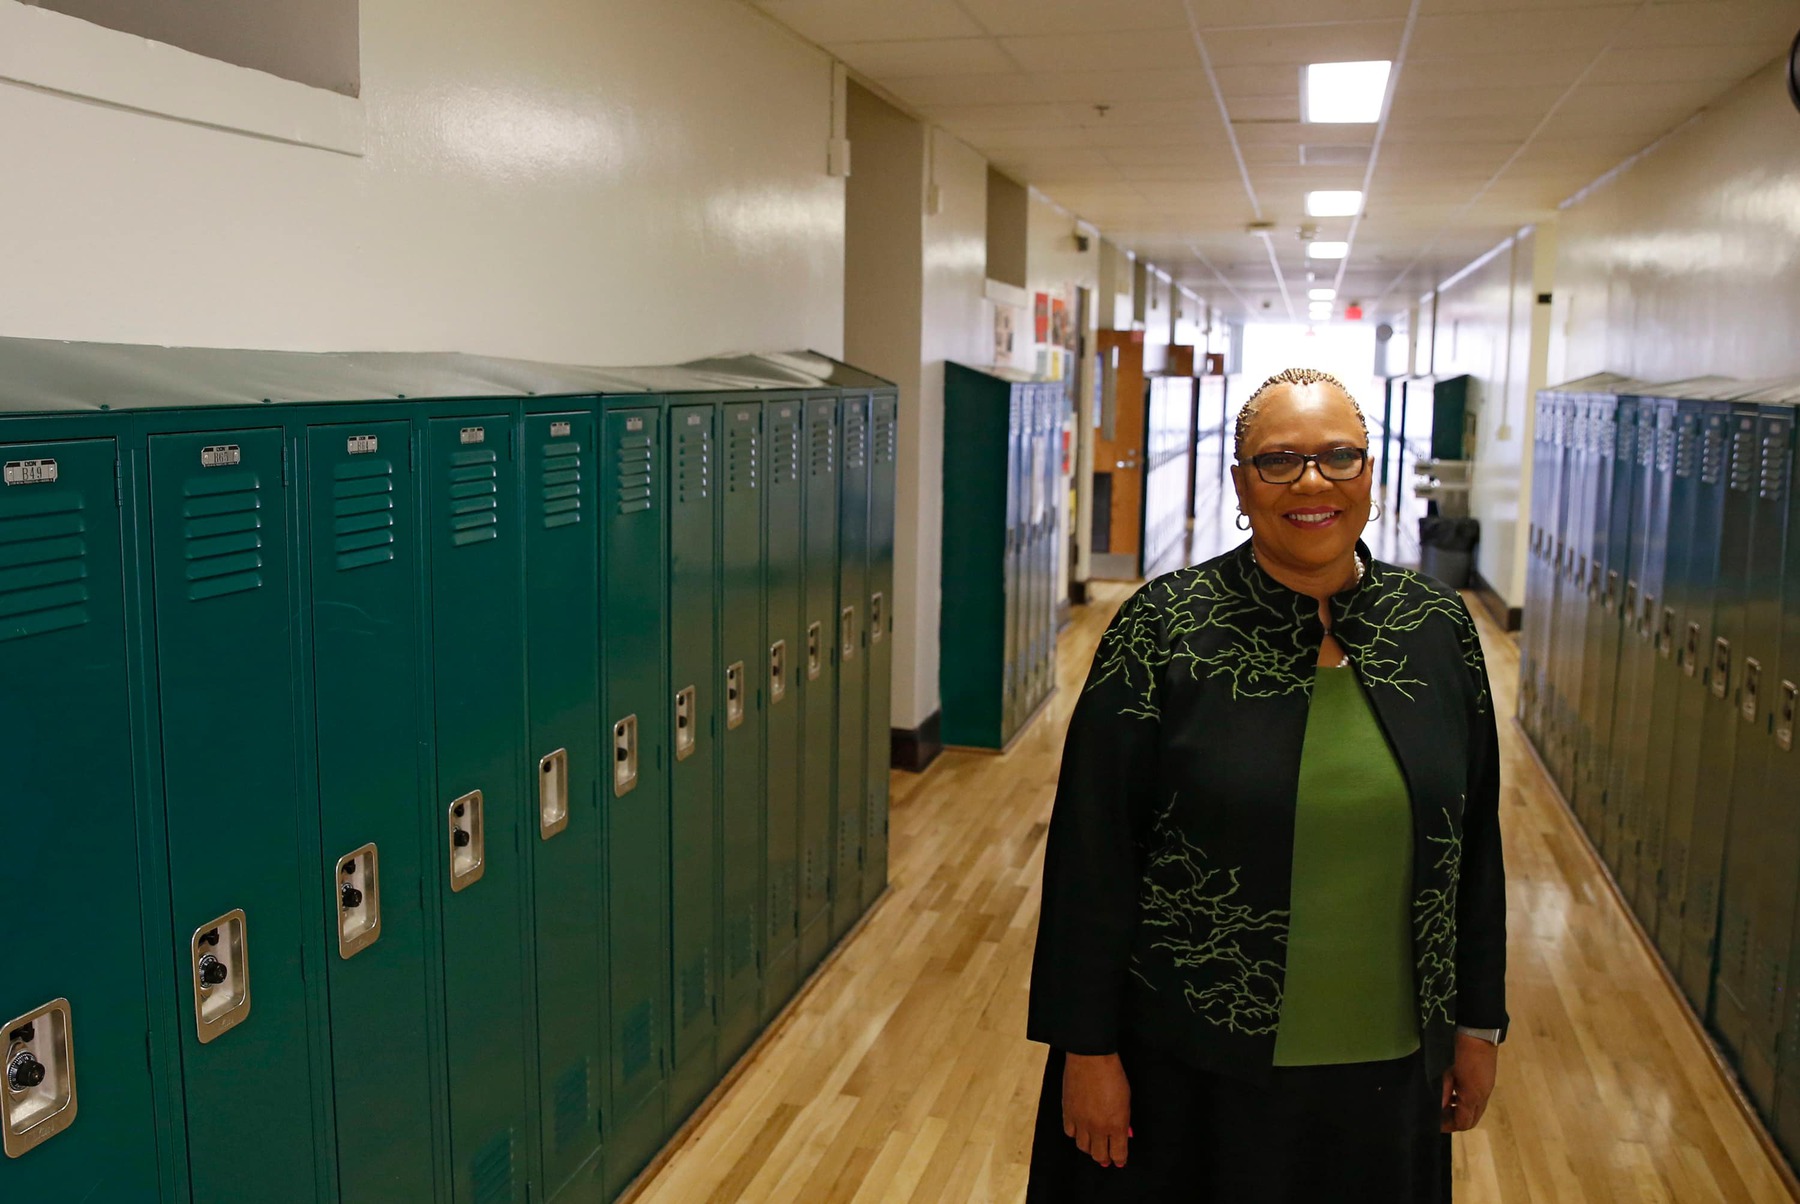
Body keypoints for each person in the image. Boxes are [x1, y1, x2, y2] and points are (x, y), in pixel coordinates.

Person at [1025, 368, 1506, 1202]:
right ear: (1241, 483)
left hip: (1390, 1066)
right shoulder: (1165, 629)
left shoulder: (1435, 628)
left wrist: (1478, 1022)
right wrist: (1086, 1049)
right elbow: (1091, 855)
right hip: (1193, 1065)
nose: (1311, 482)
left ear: (1371, 476)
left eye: (1339, 458)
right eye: (1278, 460)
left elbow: (1475, 849)